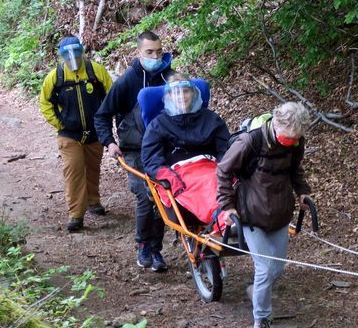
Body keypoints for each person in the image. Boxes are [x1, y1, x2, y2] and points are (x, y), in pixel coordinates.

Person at [217, 102, 313, 328]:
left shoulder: (296, 143)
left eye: (296, 139)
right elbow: (223, 171)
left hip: (280, 213)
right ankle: (261, 322)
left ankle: (257, 291)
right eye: (287, 138)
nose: (291, 142)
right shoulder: (251, 142)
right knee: (265, 268)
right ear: (276, 125)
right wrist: (228, 206)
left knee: (276, 270)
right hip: (251, 213)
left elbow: (295, 171)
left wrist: (303, 192)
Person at [94, 30, 173, 270]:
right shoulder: (127, 81)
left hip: (163, 146)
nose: (155, 56)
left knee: (162, 195)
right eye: (150, 52)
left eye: (159, 51)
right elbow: (102, 115)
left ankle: (156, 249)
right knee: (144, 194)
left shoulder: (169, 76)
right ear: (139, 53)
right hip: (134, 149)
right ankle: (143, 245)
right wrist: (109, 142)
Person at [141, 75, 230, 239]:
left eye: (185, 91)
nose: (181, 96)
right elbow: (150, 158)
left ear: (193, 93)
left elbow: (225, 148)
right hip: (178, 172)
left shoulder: (211, 119)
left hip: (209, 165)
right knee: (205, 182)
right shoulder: (158, 124)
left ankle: (228, 219)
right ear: (168, 97)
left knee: (225, 180)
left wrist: (228, 166)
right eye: (176, 93)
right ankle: (223, 221)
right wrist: (164, 174)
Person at [39, 36, 113, 232]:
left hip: (95, 131)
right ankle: (76, 215)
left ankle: (93, 201)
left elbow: (111, 96)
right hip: (69, 135)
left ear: (82, 51)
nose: (73, 57)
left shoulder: (96, 71)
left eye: (76, 52)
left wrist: (105, 122)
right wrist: (60, 123)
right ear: (62, 56)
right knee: (74, 171)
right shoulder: (56, 77)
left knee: (93, 168)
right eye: (67, 54)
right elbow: (45, 103)